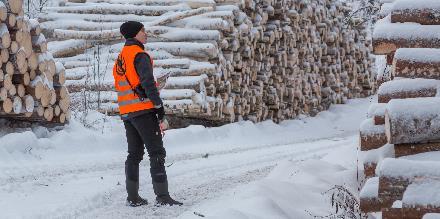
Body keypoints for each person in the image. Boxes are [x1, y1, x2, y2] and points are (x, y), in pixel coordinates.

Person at [112, 21, 182, 207]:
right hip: (143, 110)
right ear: (135, 34)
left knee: (134, 154)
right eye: (143, 30)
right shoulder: (140, 55)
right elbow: (148, 84)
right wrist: (159, 107)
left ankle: (133, 197)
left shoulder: (120, 58)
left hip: (127, 113)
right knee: (156, 152)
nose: (146, 33)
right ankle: (162, 196)